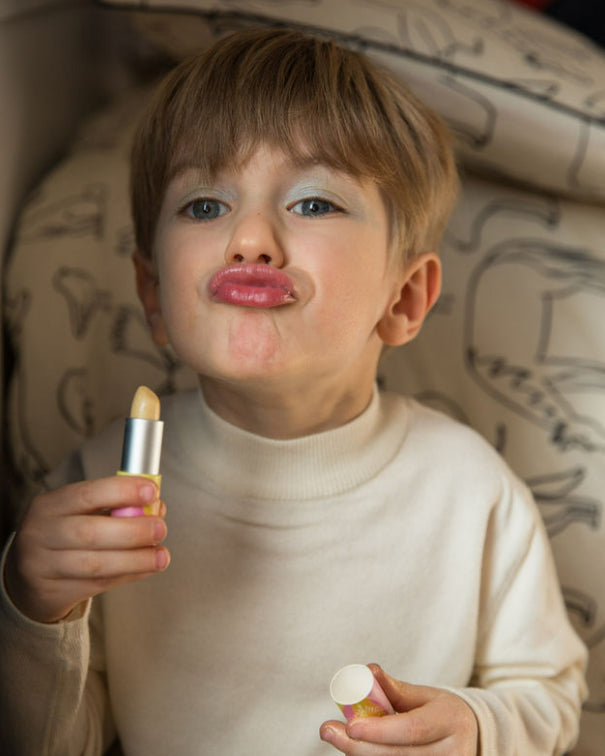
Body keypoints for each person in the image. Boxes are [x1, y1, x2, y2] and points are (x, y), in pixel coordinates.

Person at [0, 27, 587, 756]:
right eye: (204, 205)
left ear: (404, 298)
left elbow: (549, 696)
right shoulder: (100, 494)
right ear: (152, 293)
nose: (250, 237)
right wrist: (33, 611)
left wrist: (474, 729)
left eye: (312, 204)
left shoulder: (470, 491)